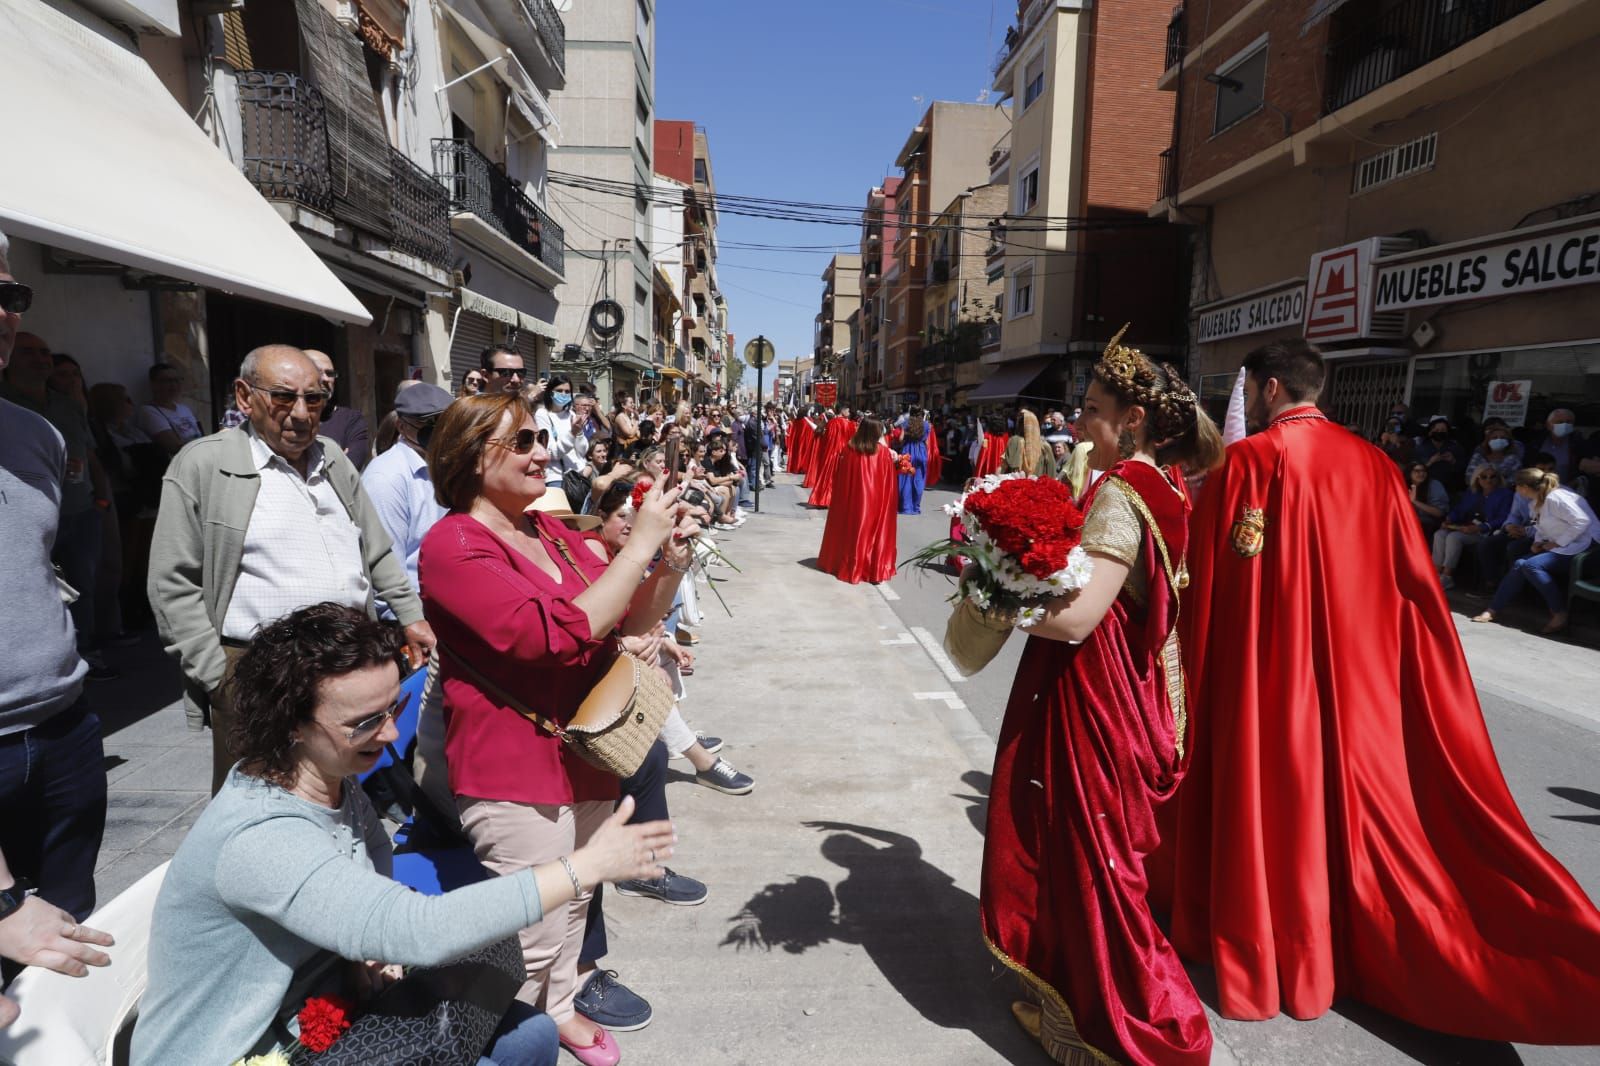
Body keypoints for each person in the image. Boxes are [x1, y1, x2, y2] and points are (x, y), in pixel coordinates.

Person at [1158, 337, 1600, 1042]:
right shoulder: (1376, 464)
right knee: (1351, 801)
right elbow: (1414, 583)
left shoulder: (1250, 462)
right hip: (1357, 668)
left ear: (1269, 390)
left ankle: (1275, 943)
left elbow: (1206, 580)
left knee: (1275, 798)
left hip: (1269, 669)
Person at [130, 603, 675, 1066]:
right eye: (365, 722)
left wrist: (356, 958)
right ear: (290, 722)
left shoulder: (329, 782)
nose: (391, 733)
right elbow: (420, 930)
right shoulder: (262, 838)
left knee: (530, 1031)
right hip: (245, 1051)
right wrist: (585, 866)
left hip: (321, 1012)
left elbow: (369, 883)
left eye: (394, 707)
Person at [418, 394, 698, 1064]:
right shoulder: (453, 545)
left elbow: (626, 619)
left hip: (584, 749)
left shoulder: (550, 534)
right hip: (512, 760)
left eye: (541, 437)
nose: (542, 452)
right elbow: (556, 637)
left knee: (576, 904)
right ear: (467, 457)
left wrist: (671, 562)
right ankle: (498, 1040)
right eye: (521, 442)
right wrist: (644, 545)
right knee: (533, 932)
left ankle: (561, 1009)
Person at [982, 329, 1222, 1065]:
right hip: (1127, 687)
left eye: (1091, 409)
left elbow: (1082, 618)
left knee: (1092, 864)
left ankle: (1131, 1018)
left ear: (1134, 420)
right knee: (1085, 858)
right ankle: (1067, 995)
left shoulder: (1122, 492)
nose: (1078, 421)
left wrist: (993, 600)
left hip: (1096, 699)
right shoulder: (1170, 483)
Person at [148, 345, 433, 793]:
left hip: (348, 660)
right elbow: (172, 583)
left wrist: (410, 616)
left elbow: (376, 551)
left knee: (341, 792)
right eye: (283, 397)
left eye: (314, 399)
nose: (301, 413)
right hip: (257, 668)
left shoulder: (334, 459)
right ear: (244, 397)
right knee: (261, 800)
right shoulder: (204, 463)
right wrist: (217, 677)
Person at [0, 234, 115, 1024]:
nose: (3, 313)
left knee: (61, 959)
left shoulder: (33, 434)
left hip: (64, 731)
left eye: (11, 294)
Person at [592, 481, 753, 794]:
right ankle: (701, 760)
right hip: (597, 661)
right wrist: (637, 644)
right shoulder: (592, 554)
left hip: (619, 645)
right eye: (621, 517)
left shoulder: (619, 554)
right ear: (600, 516)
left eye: (633, 518)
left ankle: (677, 733)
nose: (628, 526)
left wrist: (664, 640)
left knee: (663, 650)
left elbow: (632, 619)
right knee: (649, 669)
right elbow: (597, 630)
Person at [2, 330, 116, 679]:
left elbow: (89, 452)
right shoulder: (6, 404)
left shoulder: (67, 404)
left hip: (79, 511)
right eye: (29, 353)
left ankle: (85, 655)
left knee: (83, 585)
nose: (40, 359)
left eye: (45, 352)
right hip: (26, 518)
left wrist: (100, 497)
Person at [1471, 467, 1598, 634]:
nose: (1515, 489)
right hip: (1565, 545)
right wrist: (1538, 543)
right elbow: (1541, 527)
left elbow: (1582, 521)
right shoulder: (1536, 501)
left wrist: (1557, 543)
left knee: (1531, 565)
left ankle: (1559, 613)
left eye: (1516, 486)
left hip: (1587, 547)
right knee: (1520, 563)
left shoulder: (1557, 497)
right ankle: (1493, 609)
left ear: (1524, 487)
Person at [361, 383, 453, 611]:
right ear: (402, 426)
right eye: (427, 423)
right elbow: (387, 564)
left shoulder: (447, 464)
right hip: (416, 614)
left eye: (445, 421)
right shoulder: (386, 477)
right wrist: (410, 620)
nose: (439, 429)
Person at [817, 418, 898, 585]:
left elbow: (841, 478)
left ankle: (851, 565)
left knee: (852, 532)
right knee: (873, 535)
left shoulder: (849, 449)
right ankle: (871, 569)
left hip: (852, 500)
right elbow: (888, 482)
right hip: (876, 501)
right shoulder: (882, 453)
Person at [1433, 466, 1512, 590]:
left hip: (1486, 532)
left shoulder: (1505, 494)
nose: (1488, 480)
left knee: (1454, 537)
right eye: (1484, 477)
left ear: (1498, 478)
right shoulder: (1472, 492)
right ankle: (1435, 573)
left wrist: (1480, 527)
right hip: (1465, 527)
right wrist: (1449, 519)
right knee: (1440, 534)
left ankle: (1447, 576)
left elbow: (1503, 518)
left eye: (1493, 476)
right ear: (1477, 479)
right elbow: (1459, 510)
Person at [305, 349, 371, 470]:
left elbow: (347, 471)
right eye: (318, 372)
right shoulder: (285, 417)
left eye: (330, 373)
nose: (326, 379)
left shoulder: (351, 420)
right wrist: (335, 459)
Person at [134, 361, 204, 457]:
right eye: (167, 381)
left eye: (177, 380)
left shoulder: (184, 409)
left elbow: (200, 436)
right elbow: (174, 447)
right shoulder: (149, 412)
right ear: (154, 384)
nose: (174, 385)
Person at [533, 374, 588, 480]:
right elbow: (552, 453)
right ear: (550, 392)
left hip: (578, 474)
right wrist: (572, 433)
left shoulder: (571, 414)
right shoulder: (542, 414)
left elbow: (582, 451)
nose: (563, 394)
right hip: (558, 477)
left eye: (567, 392)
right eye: (559, 390)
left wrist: (579, 432)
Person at [806, 407, 858, 509]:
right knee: (841, 479)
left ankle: (823, 499)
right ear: (842, 411)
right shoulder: (851, 425)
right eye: (848, 410)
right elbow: (852, 441)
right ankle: (839, 501)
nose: (849, 413)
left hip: (831, 454)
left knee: (827, 477)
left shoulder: (831, 423)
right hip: (844, 454)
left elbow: (826, 439)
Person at [1413, 414, 1467, 490]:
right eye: (1436, 430)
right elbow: (1414, 470)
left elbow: (1462, 469)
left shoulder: (1455, 447)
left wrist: (1453, 461)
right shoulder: (1420, 447)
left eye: (1443, 430)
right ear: (1430, 432)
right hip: (1425, 486)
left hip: (1449, 488)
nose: (1439, 432)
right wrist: (1430, 462)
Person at [1463, 417, 1522, 486]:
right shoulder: (1478, 456)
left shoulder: (1514, 459)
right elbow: (1469, 477)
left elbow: (1514, 480)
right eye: (1495, 438)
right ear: (1488, 440)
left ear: (1508, 441)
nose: (1498, 440)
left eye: (1502, 438)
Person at [1000, 409, 1056, 478]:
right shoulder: (1045, 446)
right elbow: (1051, 473)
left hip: (1016, 485)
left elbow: (1005, 466)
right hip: (1039, 486)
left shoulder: (1015, 441)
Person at [895, 412, 930, 515]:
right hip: (921, 450)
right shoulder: (926, 424)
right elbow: (927, 442)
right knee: (919, 479)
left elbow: (901, 439)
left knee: (906, 479)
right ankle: (916, 506)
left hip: (908, 451)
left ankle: (906, 507)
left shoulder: (906, 423)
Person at [1404, 460, 1449, 537]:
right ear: (1409, 473)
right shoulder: (1404, 485)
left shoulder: (1434, 485)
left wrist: (1415, 501)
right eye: (1417, 471)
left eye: (1424, 471)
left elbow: (1439, 513)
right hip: (1410, 520)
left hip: (1430, 522)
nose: (1421, 473)